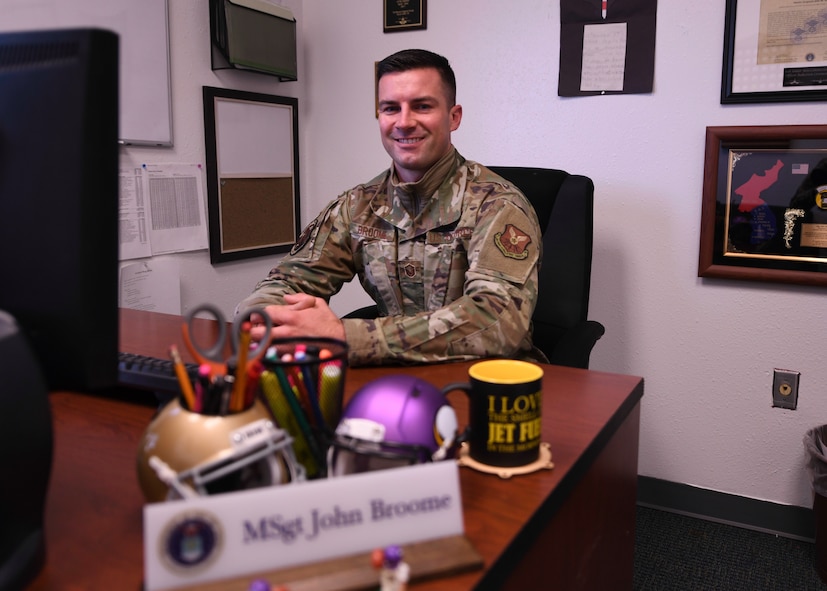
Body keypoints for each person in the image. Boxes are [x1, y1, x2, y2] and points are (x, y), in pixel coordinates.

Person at [238, 48, 544, 366]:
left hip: (491, 385)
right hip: (390, 380)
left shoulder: (496, 204)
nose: (404, 122)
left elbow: (499, 321)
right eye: (390, 108)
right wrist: (263, 317)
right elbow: (290, 280)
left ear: (454, 117)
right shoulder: (357, 206)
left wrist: (345, 336)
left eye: (422, 106)